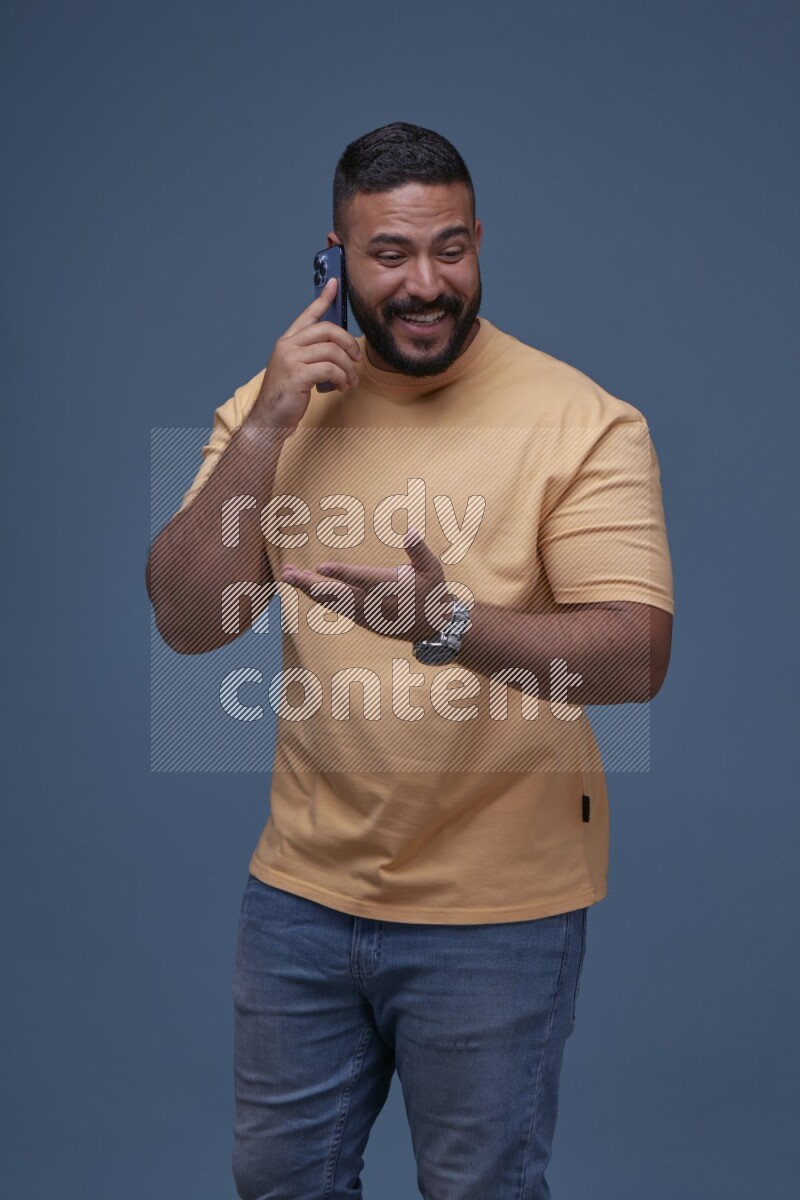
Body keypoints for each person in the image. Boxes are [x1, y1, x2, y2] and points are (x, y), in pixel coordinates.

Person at [146, 122, 673, 1200]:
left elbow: (631, 659)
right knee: (279, 1185)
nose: (425, 283)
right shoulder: (273, 411)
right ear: (333, 262)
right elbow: (190, 620)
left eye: (448, 248)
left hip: (498, 910)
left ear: (479, 242)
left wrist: (445, 625)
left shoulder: (581, 421)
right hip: (299, 895)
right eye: (388, 253)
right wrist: (264, 430)